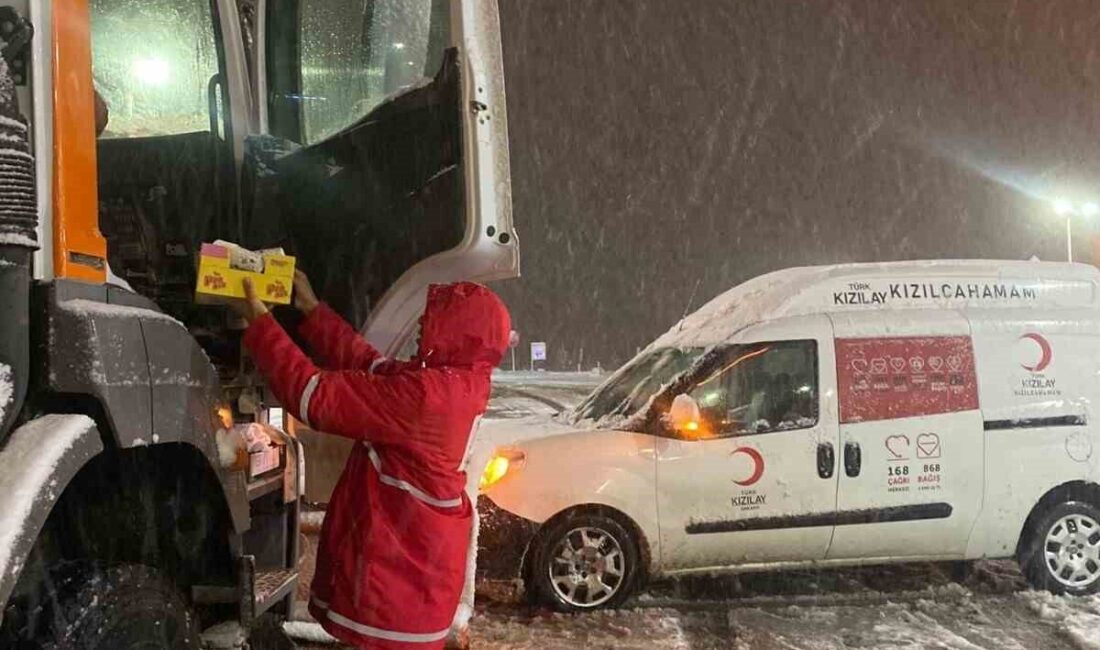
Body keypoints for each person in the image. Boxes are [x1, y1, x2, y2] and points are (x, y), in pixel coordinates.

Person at [233, 271, 510, 650]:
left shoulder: (427, 397)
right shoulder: (460, 382)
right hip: (417, 565)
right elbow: (371, 367)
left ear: (458, 332)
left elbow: (311, 395)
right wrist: (313, 312)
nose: (422, 328)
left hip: (397, 568)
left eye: (433, 321)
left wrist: (258, 320)